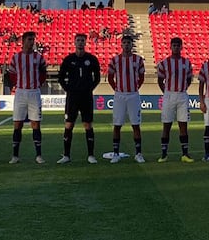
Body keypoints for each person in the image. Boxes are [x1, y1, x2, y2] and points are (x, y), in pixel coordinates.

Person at [56, 33, 101, 164]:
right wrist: (68, 89)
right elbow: (61, 77)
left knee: (88, 124)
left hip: (86, 96)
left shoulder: (91, 59)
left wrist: (89, 88)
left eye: (82, 40)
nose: (80, 42)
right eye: (78, 40)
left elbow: (97, 77)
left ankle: (91, 155)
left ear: (85, 42)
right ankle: (66, 155)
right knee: (69, 124)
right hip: (73, 96)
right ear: (74, 42)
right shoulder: (69, 59)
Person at [8, 31, 48, 164]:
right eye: (30, 39)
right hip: (20, 92)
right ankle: (15, 156)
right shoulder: (16, 57)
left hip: (34, 92)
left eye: (33, 39)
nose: (32, 42)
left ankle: (39, 155)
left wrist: (38, 83)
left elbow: (43, 72)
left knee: (35, 123)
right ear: (23, 41)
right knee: (17, 123)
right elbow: (12, 74)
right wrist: (17, 85)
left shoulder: (38, 57)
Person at [107, 34, 146, 164]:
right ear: (121, 44)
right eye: (124, 42)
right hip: (119, 95)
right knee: (117, 125)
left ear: (132, 45)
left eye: (129, 43)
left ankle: (138, 153)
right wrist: (116, 88)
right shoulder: (115, 60)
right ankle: (116, 154)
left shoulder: (138, 60)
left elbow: (141, 77)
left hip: (133, 95)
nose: (126, 45)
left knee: (136, 125)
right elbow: (110, 76)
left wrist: (135, 87)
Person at [157, 37, 194, 163]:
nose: (176, 47)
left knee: (183, 125)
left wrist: (183, 88)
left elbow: (189, 79)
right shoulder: (165, 63)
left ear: (181, 47)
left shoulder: (186, 63)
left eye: (178, 45)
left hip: (182, 95)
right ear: (170, 47)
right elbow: (160, 80)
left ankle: (185, 154)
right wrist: (166, 92)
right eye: (174, 45)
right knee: (166, 125)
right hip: (169, 95)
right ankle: (164, 154)